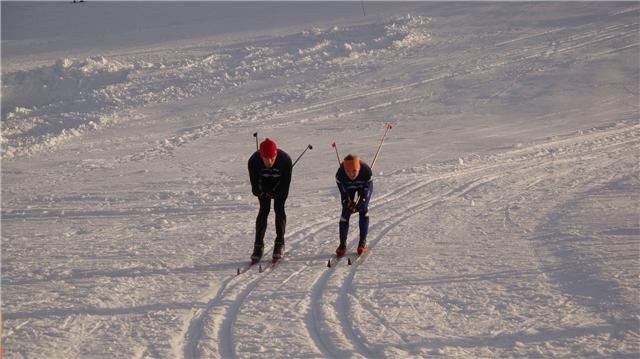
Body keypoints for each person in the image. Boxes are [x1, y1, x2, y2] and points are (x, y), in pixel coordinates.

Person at [248, 138, 292, 262]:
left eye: (272, 158)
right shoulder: (253, 161)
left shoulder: (285, 161)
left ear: (276, 154)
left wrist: (277, 193)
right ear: (261, 156)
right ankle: (258, 246)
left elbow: (285, 187)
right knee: (264, 210)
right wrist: (261, 192)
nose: (270, 162)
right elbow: (254, 188)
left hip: (279, 185)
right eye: (266, 159)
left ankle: (280, 243)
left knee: (279, 208)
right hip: (264, 184)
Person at [335, 154, 373, 257]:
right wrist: (347, 202)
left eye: (354, 171)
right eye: (348, 171)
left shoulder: (366, 172)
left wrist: (361, 201)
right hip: (348, 188)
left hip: (363, 186)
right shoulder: (340, 175)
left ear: (359, 169)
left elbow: (365, 193)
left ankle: (362, 243)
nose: (351, 174)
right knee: (346, 211)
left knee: (363, 209)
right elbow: (344, 194)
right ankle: (342, 244)